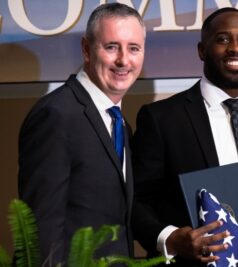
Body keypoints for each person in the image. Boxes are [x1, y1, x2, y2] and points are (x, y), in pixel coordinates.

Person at [131, 7, 238, 266]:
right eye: (223, 39)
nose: (235, 48)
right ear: (202, 50)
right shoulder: (162, 118)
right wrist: (171, 238)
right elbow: (137, 201)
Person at [18, 3, 145, 265]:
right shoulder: (56, 115)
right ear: (86, 49)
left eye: (133, 48)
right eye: (111, 47)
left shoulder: (120, 123)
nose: (123, 60)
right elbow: (39, 228)